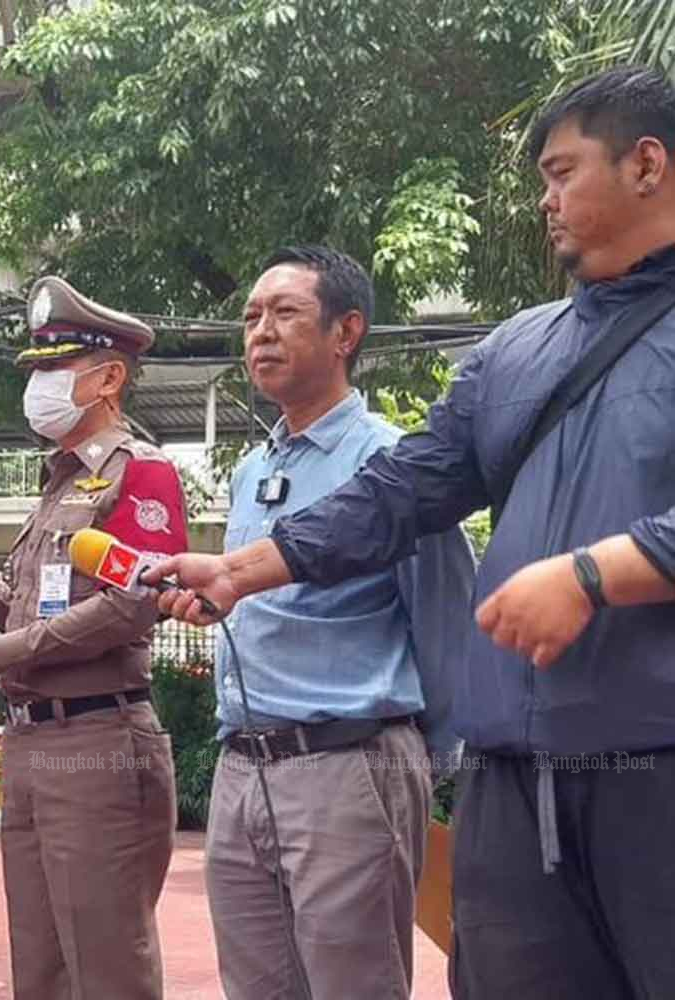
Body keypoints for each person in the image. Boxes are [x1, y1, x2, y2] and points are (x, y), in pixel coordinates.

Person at [150, 67, 675, 999]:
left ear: (646, 164)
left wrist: (599, 574)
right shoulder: (517, 349)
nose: (543, 200)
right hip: (516, 778)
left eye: (561, 172)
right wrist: (243, 570)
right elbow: (397, 492)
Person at [195, 245, 475, 999]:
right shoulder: (254, 471)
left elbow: (448, 615)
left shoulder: (390, 462)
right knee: (255, 985)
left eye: (284, 313)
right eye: (251, 317)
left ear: (347, 330)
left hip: (350, 766)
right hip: (241, 767)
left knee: (355, 985)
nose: (260, 332)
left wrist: (425, 763)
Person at [0, 276, 188, 1000]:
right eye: (36, 369)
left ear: (109, 378)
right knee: (38, 969)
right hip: (33, 744)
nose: (38, 385)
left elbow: (129, 608)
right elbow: (42, 611)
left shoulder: (142, 474)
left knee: (107, 969)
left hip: (98, 742)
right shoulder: (61, 482)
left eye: (54, 368)